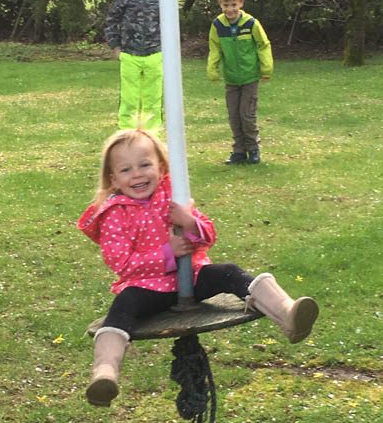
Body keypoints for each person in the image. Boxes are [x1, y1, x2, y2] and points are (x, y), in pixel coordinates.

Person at [78, 129, 319, 407]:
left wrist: (190, 222)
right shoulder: (114, 214)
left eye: (145, 165)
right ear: (113, 179)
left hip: (190, 276)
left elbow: (209, 236)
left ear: (161, 166)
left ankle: (288, 314)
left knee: (229, 272)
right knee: (124, 305)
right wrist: (167, 254)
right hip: (147, 289)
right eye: (126, 170)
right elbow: (121, 263)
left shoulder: (174, 196)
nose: (137, 175)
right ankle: (105, 373)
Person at [207, 0, 273, 165]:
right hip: (231, 79)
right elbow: (215, 48)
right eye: (226, 5)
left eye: (233, 5)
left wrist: (266, 68)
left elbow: (263, 45)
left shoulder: (251, 24)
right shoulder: (218, 25)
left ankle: (253, 149)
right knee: (234, 116)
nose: (230, 9)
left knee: (247, 114)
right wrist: (212, 68)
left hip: (249, 77)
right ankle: (238, 151)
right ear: (220, 5)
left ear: (241, 3)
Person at [104, 0, 163, 131]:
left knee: (153, 98)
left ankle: (152, 135)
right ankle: (127, 133)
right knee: (129, 98)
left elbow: (170, 23)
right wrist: (115, 46)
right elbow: (112, 20)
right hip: (130, 54)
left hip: (155, 54)